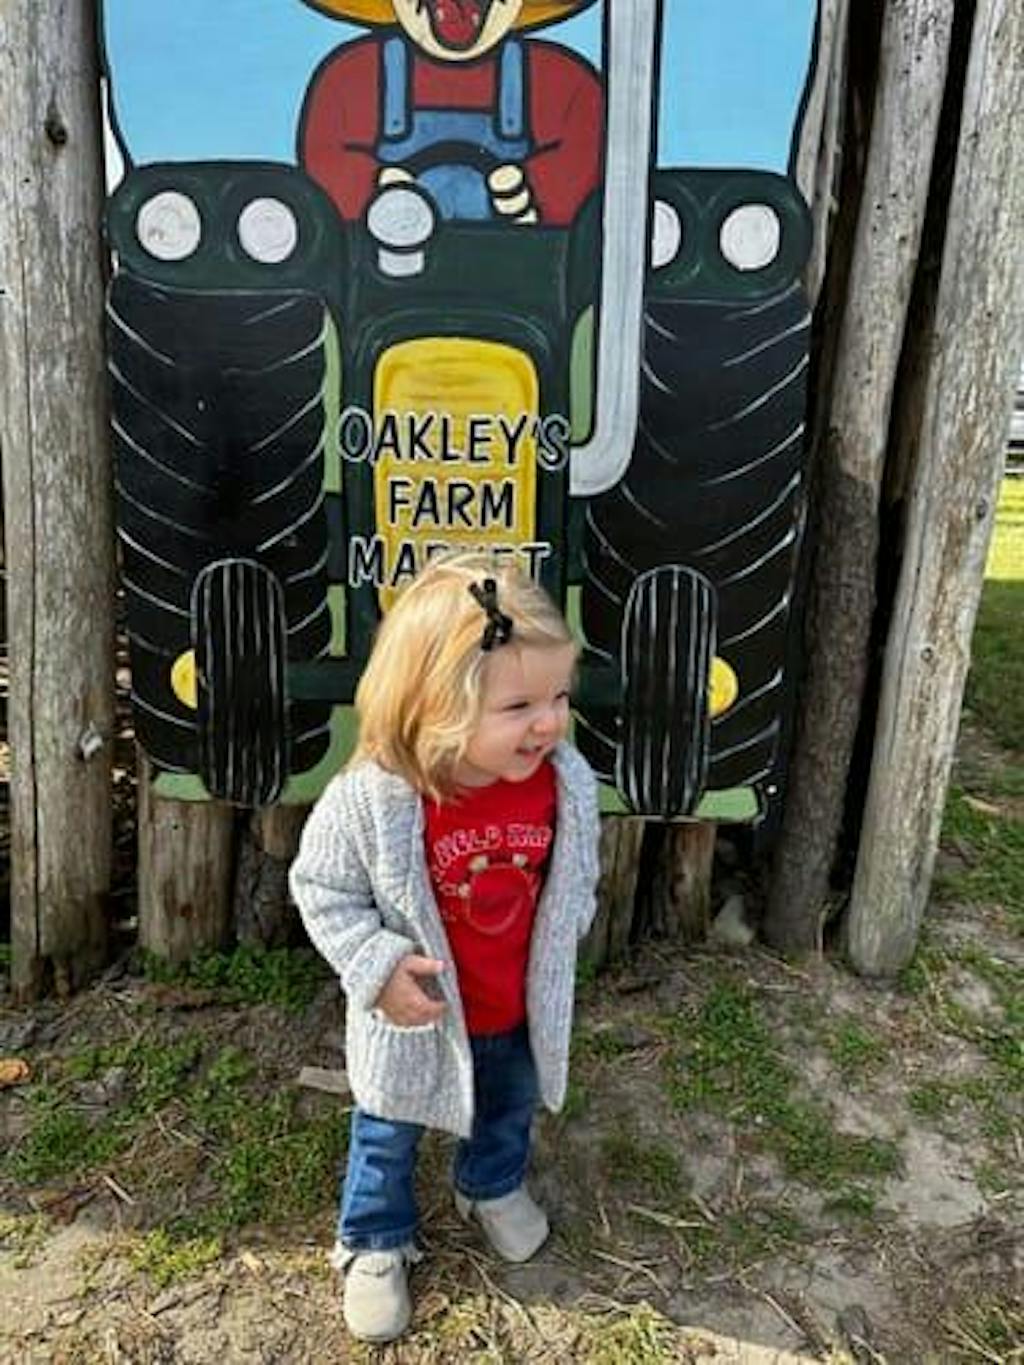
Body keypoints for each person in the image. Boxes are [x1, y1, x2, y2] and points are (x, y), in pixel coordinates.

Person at [289, 550, 601, 1343]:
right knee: (386, 1128)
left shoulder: (564, 783)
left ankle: (488, 1183)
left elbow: (578, 872)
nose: (549, 722)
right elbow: (321, 887)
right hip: (414, 1013)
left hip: (514, 1005)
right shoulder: (376, 796)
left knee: (509, 1105)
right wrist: (376, 966)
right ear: (434, 706)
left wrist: (565, 936)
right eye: (520, 705)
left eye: (559, 696)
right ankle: (374, 1236)